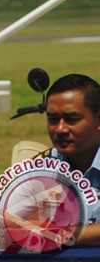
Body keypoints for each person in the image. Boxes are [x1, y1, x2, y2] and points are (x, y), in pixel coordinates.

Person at [34, 73, 100, 246]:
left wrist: (56, 235)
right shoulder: (39, 168)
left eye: (72, 119)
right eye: (52, 119)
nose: (60, 129)